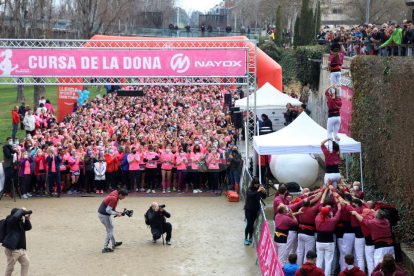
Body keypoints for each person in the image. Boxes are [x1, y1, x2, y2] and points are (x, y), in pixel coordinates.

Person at [315, 196, 341, 276]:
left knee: (319, 260)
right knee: (328, 262)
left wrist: (325, 208)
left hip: (319, 242)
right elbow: (337, 215)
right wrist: (339, 208)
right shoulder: (332, 221)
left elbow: (320, 212)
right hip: (329, 243)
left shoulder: (317, 219)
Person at [2, 207, 32, 276]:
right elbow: (15, 217)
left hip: (21, 249)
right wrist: (21, 210)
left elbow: (28, 228)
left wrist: (27, 219)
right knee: (10, 268)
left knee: (26, 262)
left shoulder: (19, 222)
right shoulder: (9, 221)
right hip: (12, 250)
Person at [244, 177, 266, 245]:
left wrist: (264, 192)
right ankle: (245, 238)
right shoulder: (249, 189)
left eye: (257, 184)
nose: (256, 185)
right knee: (249, 224)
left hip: (255, 209)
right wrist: (258, 191)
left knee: (252, 224)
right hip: (249, 209)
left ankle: (250, 237)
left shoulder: (258, 189)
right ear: (253, 184)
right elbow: (250, 195)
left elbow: (263, 197)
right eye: (255, 184)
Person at [325, 85, 342, 149]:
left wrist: (330, 86)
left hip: (331, 117)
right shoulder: (339, 100)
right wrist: (335, 88)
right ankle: (337, 150)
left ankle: (331, 149)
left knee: (329, 134)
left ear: (331, 93)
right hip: (338, 117)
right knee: (336, 134)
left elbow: (325, 92)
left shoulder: (330, 99)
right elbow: (338, 94)